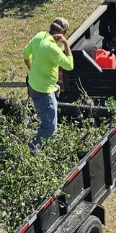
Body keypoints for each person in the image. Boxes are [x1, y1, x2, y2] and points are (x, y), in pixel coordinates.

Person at [23, 16, 73, 152]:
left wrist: (31, 69)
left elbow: (25, 54)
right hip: (43, 92)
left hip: (34, 85)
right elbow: (69, 65)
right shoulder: (53, 49)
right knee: (50, 127)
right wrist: (66, 44)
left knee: (50, 119)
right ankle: (32, 150)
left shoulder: (39, 36)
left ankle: (46, 146)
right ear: (62, 33)